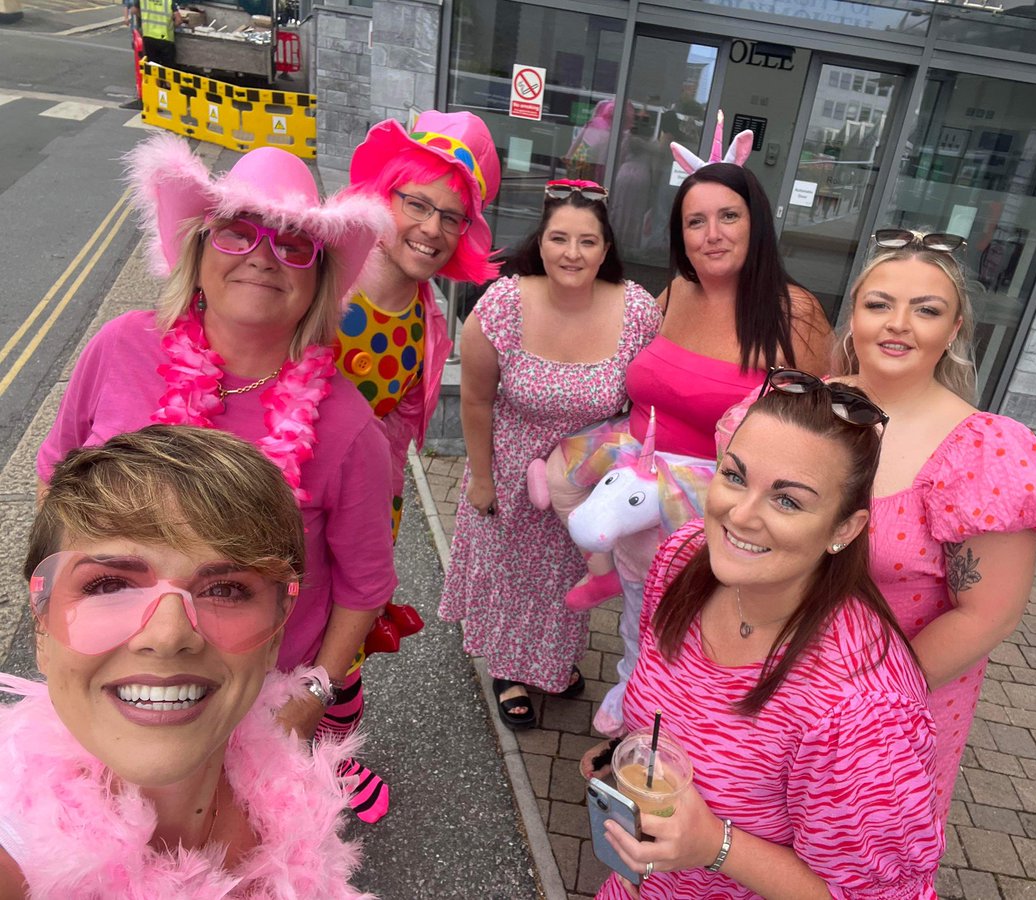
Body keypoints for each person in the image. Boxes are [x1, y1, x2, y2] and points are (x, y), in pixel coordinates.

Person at [36, 134, 398, 822]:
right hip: (109, 664)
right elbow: (56, 484)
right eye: (237, 233)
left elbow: (364, 587)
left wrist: (310, 697)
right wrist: (57, 623)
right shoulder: (118, 348)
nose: (263, 257)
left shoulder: (349, 426)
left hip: (250, 697)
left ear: (317, 279)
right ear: (198, 251)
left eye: (293, 244)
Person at [596, 378, 943, 899]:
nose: (740, 515)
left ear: (844, 529)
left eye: (787, 500)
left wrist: (714, 844)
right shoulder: (685, 559)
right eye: (734, 476)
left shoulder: (860, 711)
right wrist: (621, 755)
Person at [0, 426, 370, 898]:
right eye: (109, 586)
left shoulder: (283, 789)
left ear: (277, 634)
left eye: (225, 590)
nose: (169, 635)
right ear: (42, 631)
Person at [568, 132, 834, 750]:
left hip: (725, 513)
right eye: (695, 221)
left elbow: (811, 436)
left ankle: (687, 742)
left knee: (700, 633)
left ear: (756, 222)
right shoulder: (673, 293)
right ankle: (633, 701)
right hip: (642, 495)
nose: (711, 234)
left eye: (728, 217)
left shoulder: (795, 313)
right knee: (638, 614)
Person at [820, 228, 1036, 823]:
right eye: (879, 303)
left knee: (845, 854)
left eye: (926, 309)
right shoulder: (803, 403)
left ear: (955, 327)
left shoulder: (984, 451)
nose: (898, 324)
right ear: (853, 315)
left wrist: (861, 703)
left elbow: (989, 612)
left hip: (888, 703)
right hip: (773, 674)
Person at [438, 180, 660, 730]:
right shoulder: (505, 303)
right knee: (512, 580)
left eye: (587, 241)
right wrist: (482, 479)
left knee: (569, 581)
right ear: (540, 243)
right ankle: (511, 670)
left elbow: (646, 396)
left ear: (606, 248)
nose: (572, 253)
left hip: (583, 481)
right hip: (510, 471)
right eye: (559, 238)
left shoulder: (635, 310)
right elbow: (474, 399)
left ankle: (552, 661)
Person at [344, 112, 501, 539]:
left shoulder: (428, 328)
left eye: (451, 218)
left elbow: (392, 446)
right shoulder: (319, 280)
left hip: (357, 519)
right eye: (417, 203)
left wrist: (380, 532)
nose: (432, 228)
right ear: (383, 198)